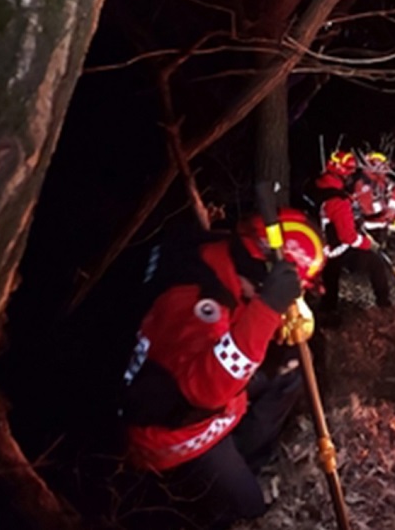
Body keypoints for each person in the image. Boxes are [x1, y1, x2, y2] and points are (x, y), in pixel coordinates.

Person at [119, 208, 325, 529]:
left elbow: (238, 320)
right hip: (174, 434)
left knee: (291, 367)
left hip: (208, 393)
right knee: (250, 509)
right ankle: (212, 503)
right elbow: (206, 390)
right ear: (262, 274)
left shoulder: (224, 258)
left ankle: (246, 458)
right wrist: (267, 309)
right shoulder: (198, 300)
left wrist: (274, 315)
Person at [312, 151, 392, 312]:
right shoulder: (339, 199)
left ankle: (327, 311)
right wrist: (368, 244)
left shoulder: (318, 186)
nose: (351, 176)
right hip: (334, 248)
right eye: (349, 172)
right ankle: (384, 305)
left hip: (317, 245)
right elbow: (348, 237)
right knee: (375, 262)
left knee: (330, 281)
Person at [352, 151, 395, 245]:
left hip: (385, 221)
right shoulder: (364, 183)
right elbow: (368, 210)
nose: (385, 165)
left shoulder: (381, 179)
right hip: (372, 226)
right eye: (380, 162)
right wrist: (390, 210)